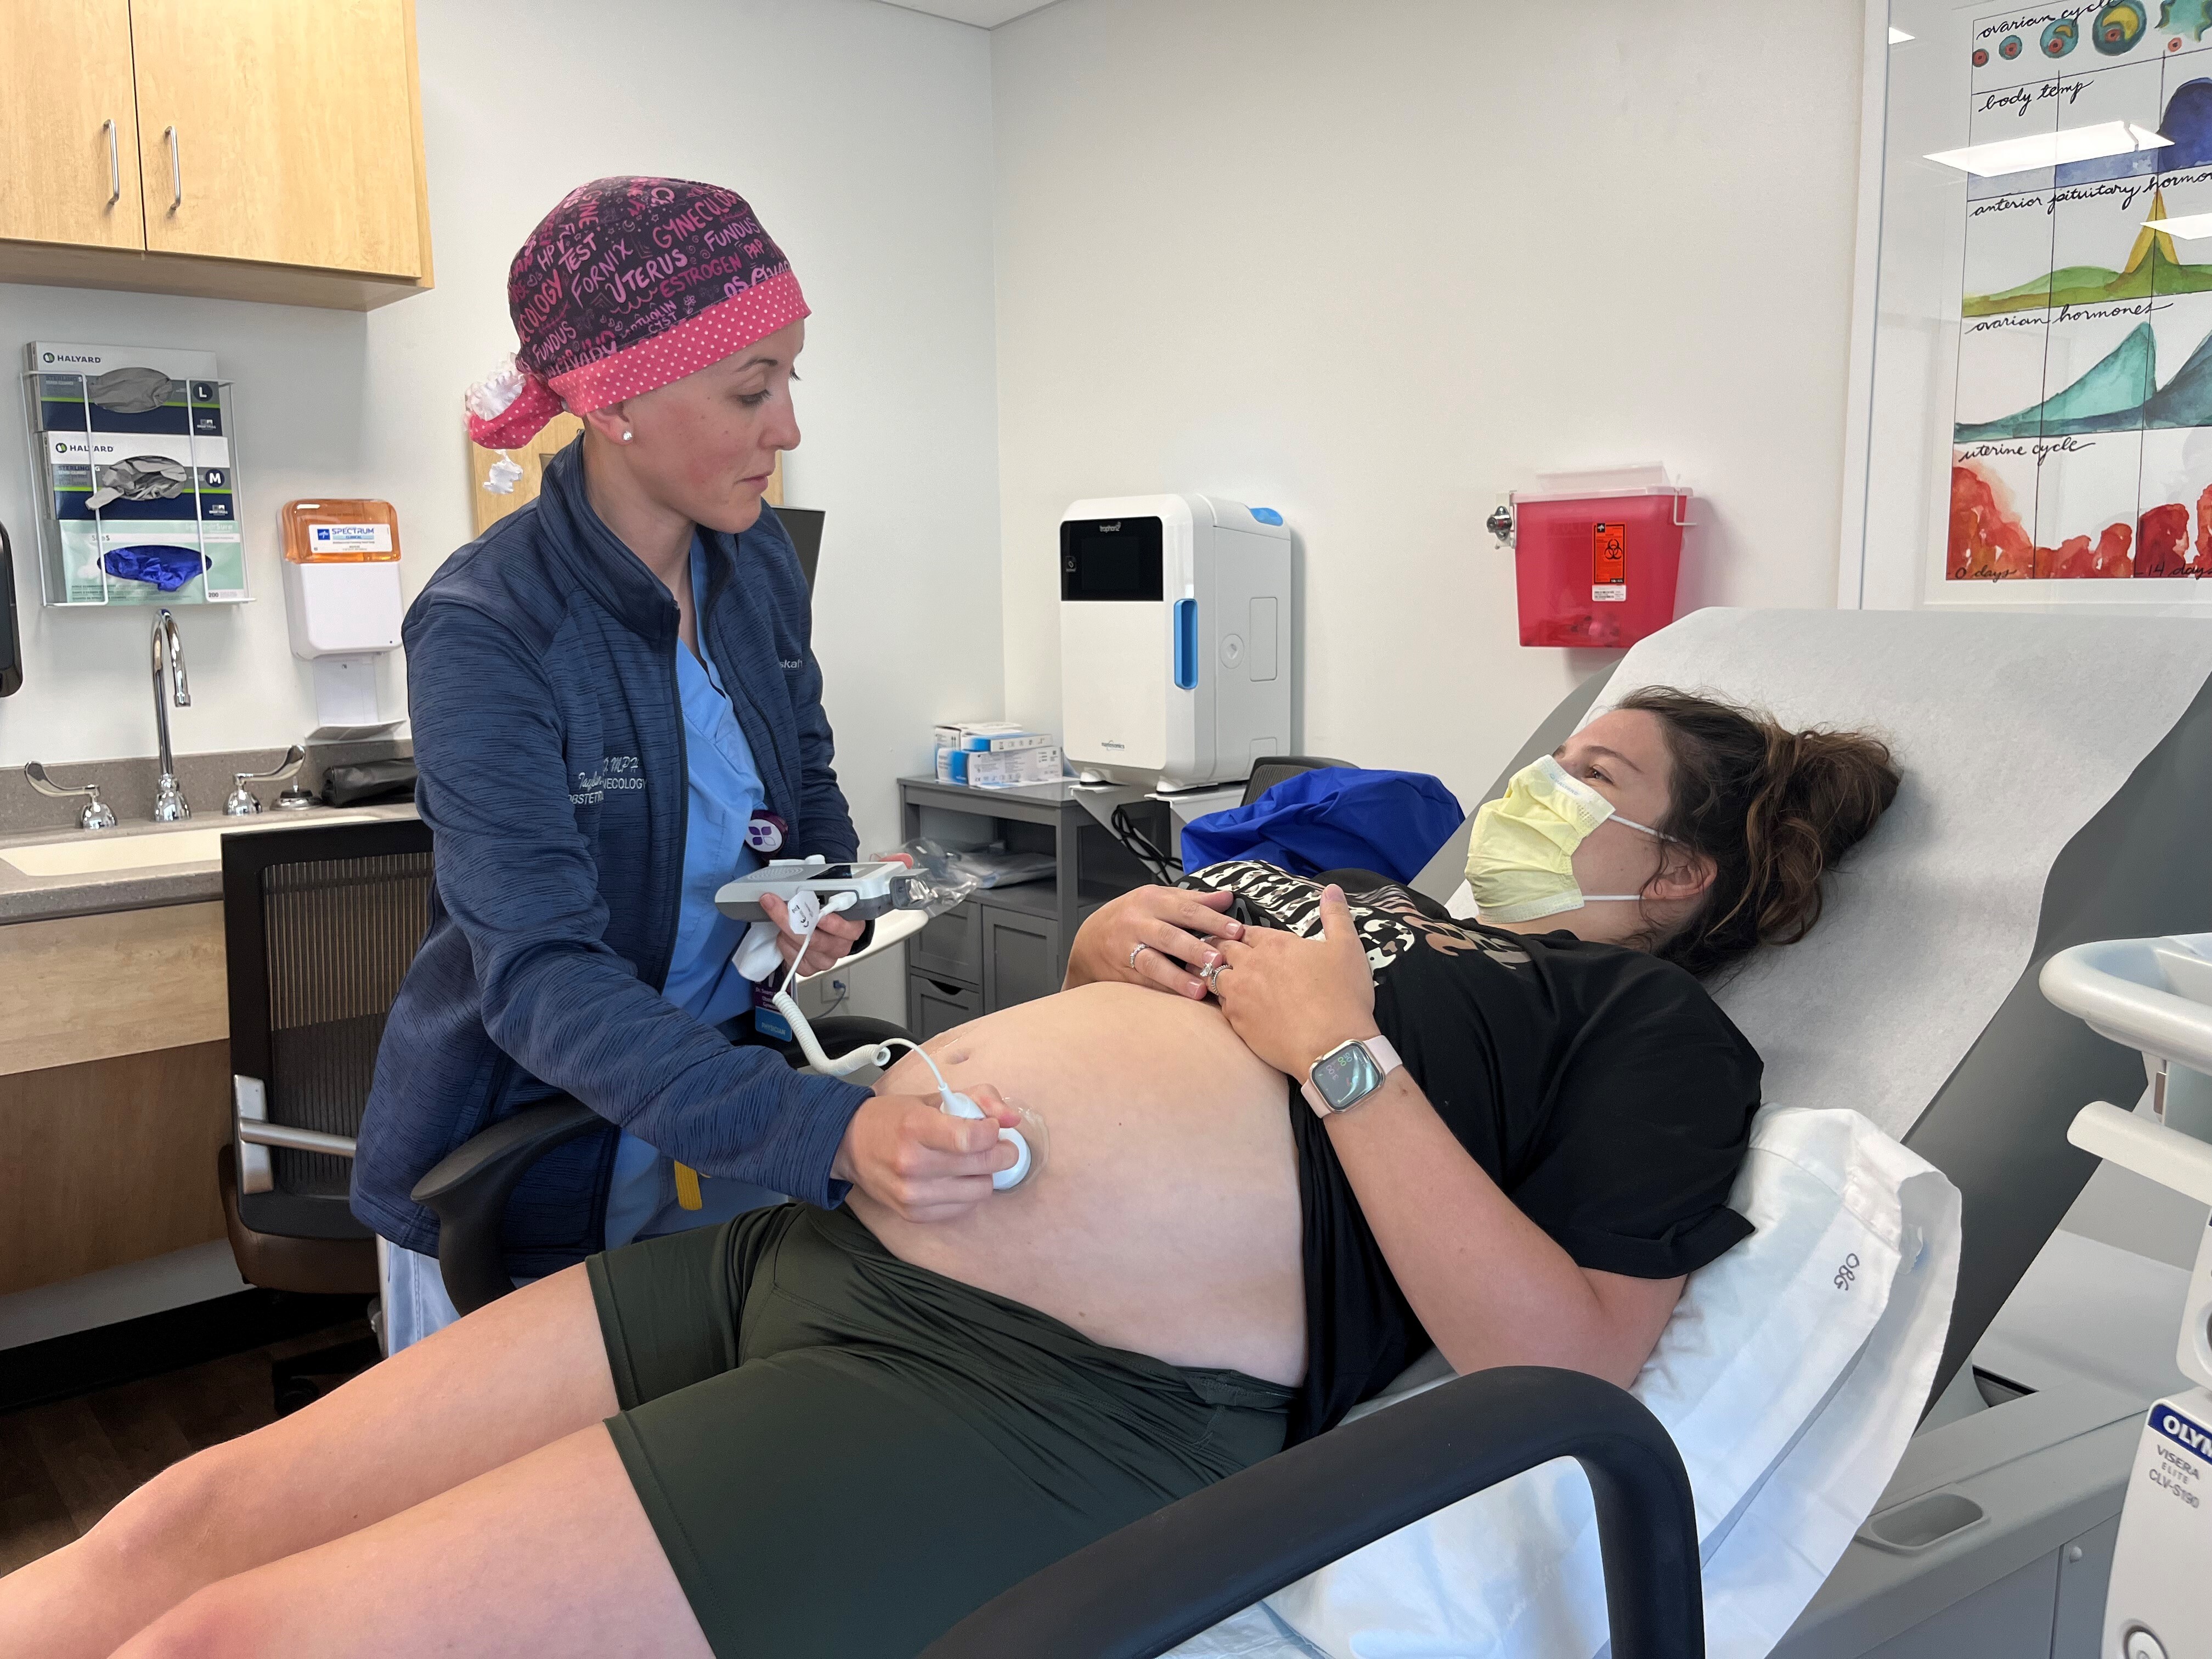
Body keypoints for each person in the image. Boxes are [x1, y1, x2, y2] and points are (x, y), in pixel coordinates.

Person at [0, 691, 1900, 1658]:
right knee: (178, 1529)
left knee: (230, 1643)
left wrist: (1341, 1045)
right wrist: (1101, 965)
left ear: (1677, 882)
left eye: (1596, 777)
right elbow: (1150, 1041)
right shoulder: (1370, 891)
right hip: (818, 1240)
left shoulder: (1644, 1034)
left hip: (1044, 1388)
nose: (1536, 793)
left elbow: (1562, 1365)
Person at [352, 177, 1018, 1348]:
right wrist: (825, 1133)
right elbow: (541, 975)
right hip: (524, 1168)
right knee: (523, 1511)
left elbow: (801, 768)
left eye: (791, 378)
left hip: (714, 1122)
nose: (789, 428)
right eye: (751, 389)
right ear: (615, 408)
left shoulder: (751, 561)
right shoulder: (487, 627)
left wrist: (820, 889)